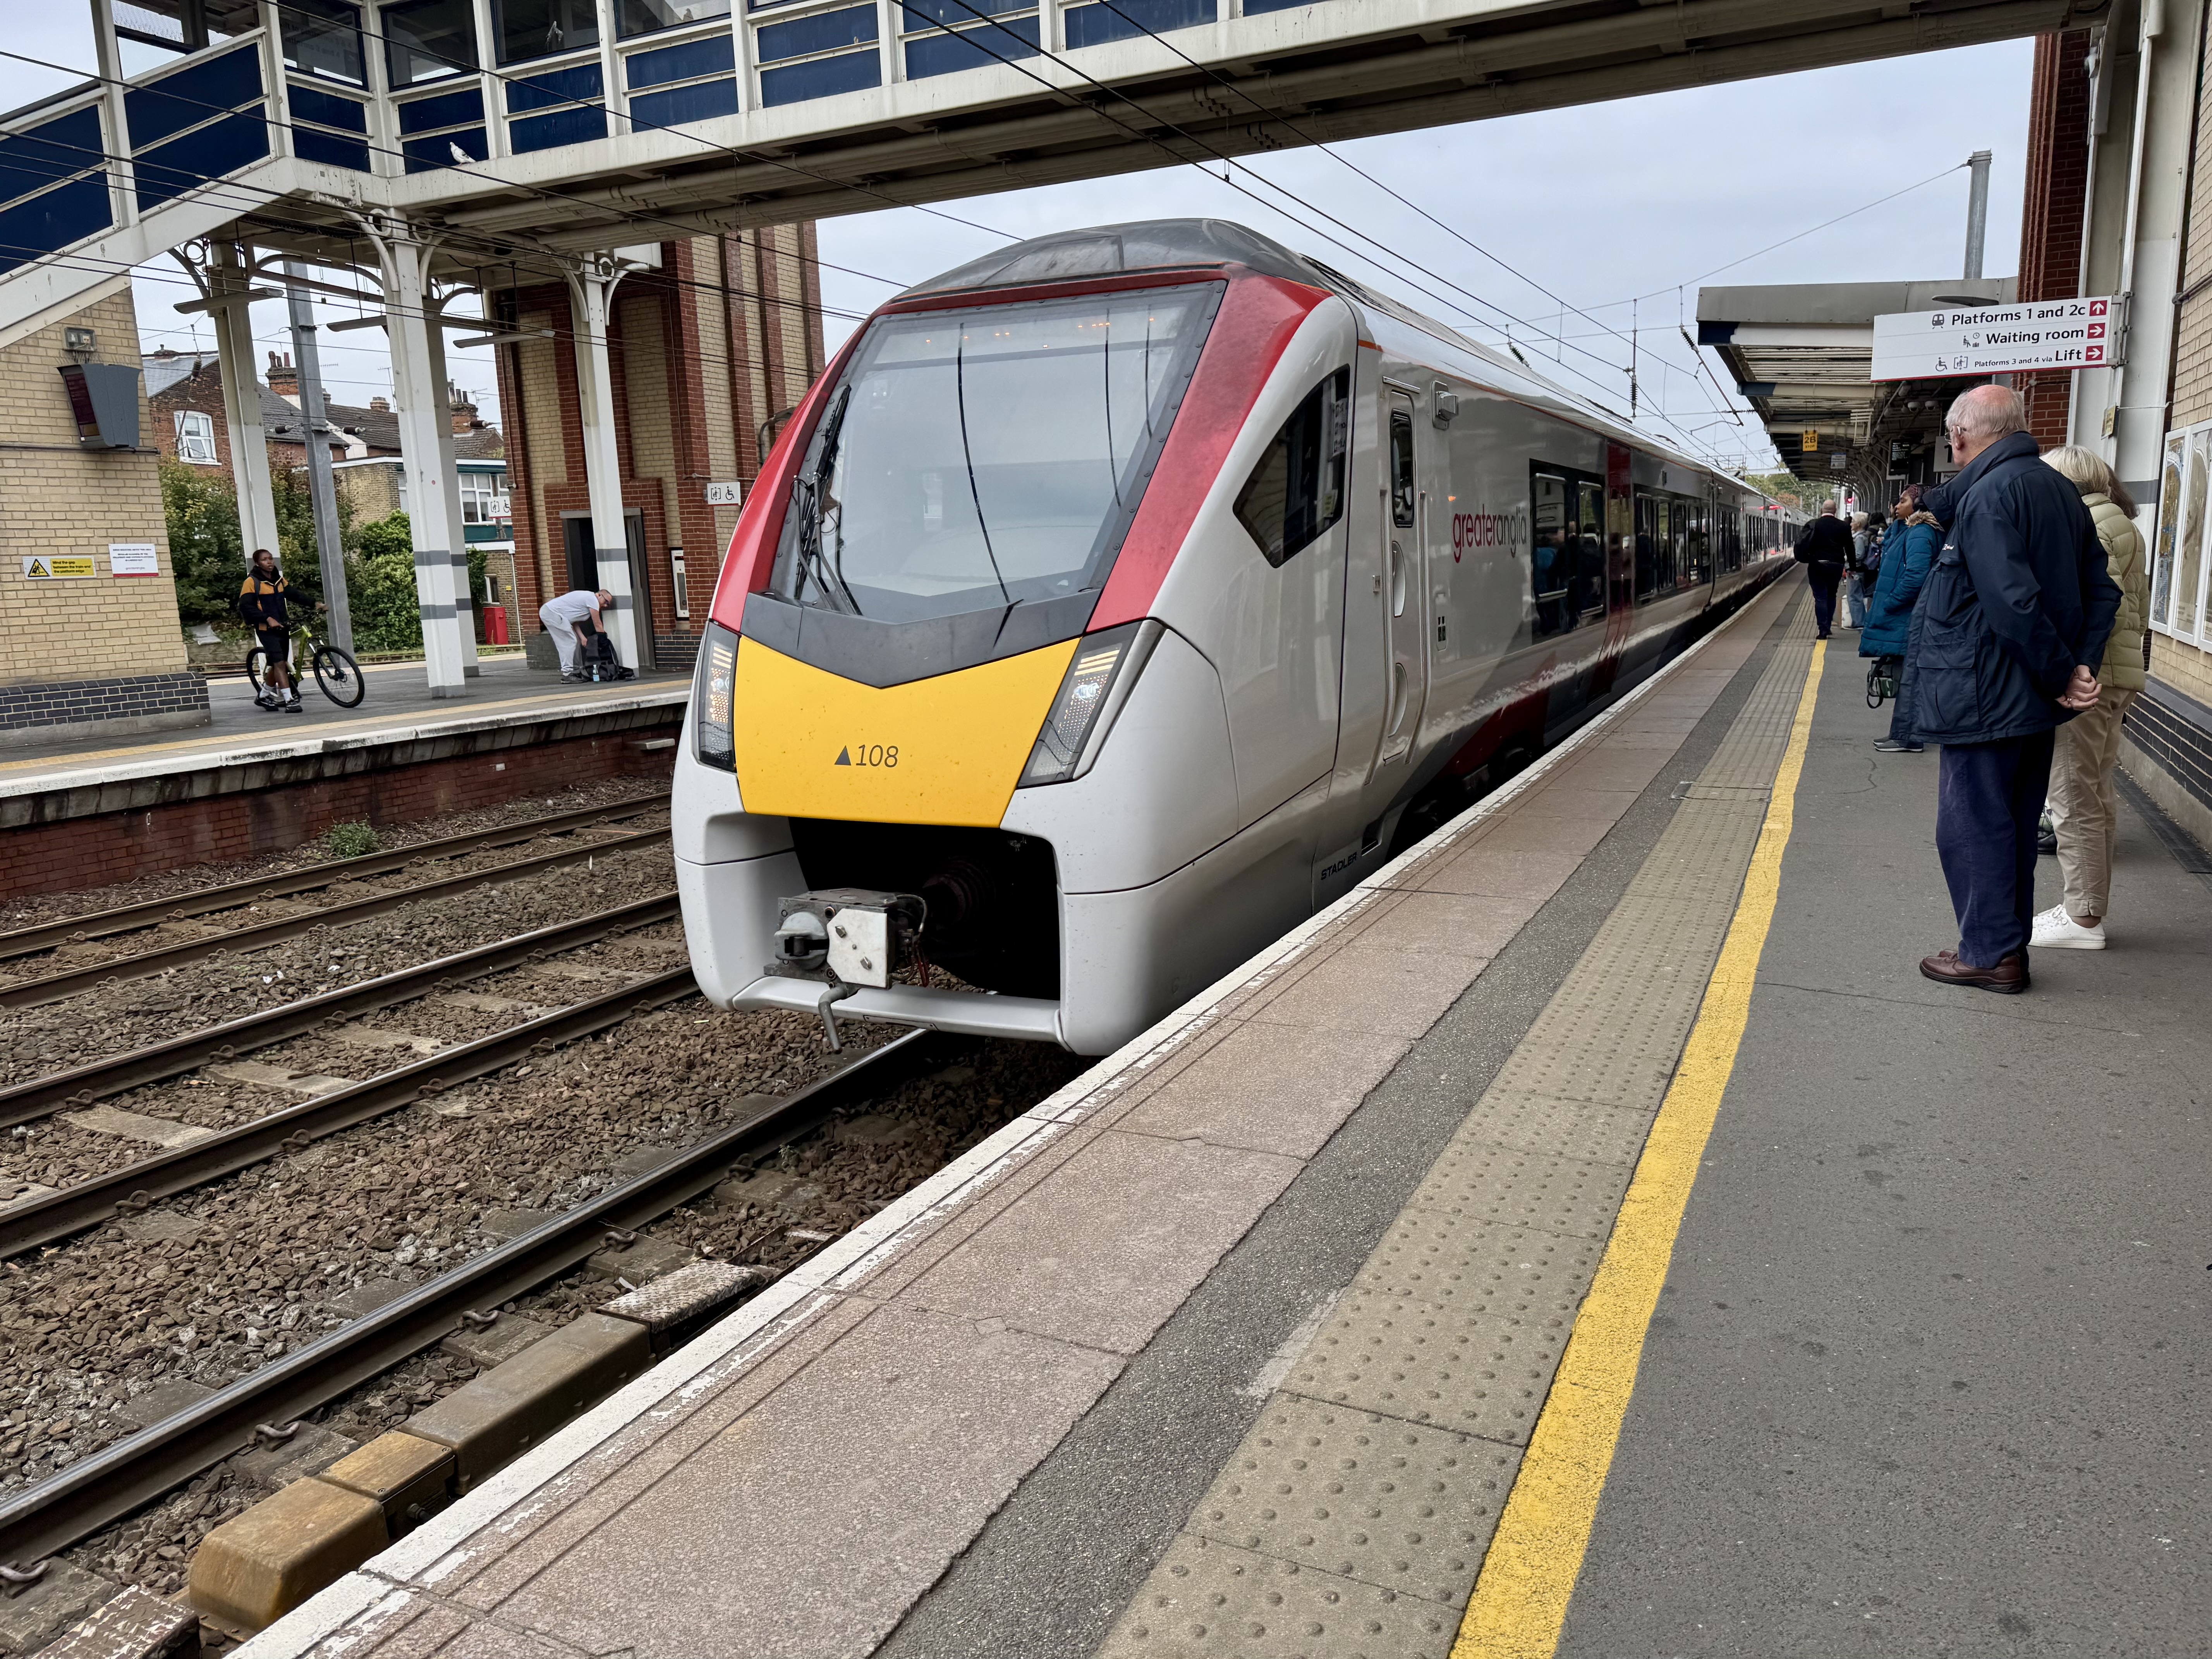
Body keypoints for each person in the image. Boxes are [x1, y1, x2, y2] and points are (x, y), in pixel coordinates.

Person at [1912, 385, 2120, 993]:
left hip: (1986, 694)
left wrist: (2064, 673)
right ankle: (2006, 950)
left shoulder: (1987, 495)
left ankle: (1987, 955)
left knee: (1973, 826)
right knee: (2013, 823)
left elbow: (2012, 604)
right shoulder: (2060, 490)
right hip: (2033, 699)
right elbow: (2102, 591)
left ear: (1960, 436)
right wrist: (2076, 668)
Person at [2032, 446, 2150, 950]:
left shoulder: (2089, 527)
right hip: (2117, 675)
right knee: (2096, 793)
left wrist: (2068, 671)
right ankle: (2087, 907)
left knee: (2072, 794)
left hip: (2090, 679)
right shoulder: (2120, 521)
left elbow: (2084, 607)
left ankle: (2082, 918)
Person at [1863, 485, 1941, 754]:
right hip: (1908, 615)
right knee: (1908, 677)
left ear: (1918, 506)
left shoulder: (1920, 532)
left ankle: (1908, 737)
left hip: (1910, 616)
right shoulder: (1910, 531)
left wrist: (1891, 602)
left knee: (1910, 679)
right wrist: (1896, 522)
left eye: (1903, 501)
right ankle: (1903, 734)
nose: (1897, 506)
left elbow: (1916, 576)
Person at [238, 548, 302, 714]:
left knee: (277, 663)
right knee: (280, 663)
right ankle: (289, 700)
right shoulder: (252, 582)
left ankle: (264, 695)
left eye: (271, 559)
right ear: (258, 563)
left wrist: (314, 604)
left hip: (283, 628)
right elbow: (246, 607)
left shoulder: (279, 580)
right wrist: (267, 618)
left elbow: (294, 594)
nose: (270, 562)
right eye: (265, 560)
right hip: (266, 630)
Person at [1792, 501, 1852, 638]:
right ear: (1835, 511)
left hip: (1817, 565)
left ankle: (1823, 629)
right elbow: (1850, 548)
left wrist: (1807, 557)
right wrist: (1851, 567)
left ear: (1821, 510)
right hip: (1836, 565)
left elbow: (1803, 543)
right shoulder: (1844, 526)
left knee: (1820, 597)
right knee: (1832, 595)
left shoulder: (1814, 524)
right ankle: (1828, 626)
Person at [538, 587, 618, 681]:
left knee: (575, 642)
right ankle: (567, 674)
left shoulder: (588, 600)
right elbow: (597, 623)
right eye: (606, 602)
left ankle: (576, 672)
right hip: (551, 613)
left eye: (608, 605)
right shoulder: (592, 599)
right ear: (599, 595)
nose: (605, 606)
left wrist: (582, 638)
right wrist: (603, 640)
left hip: (553, 613)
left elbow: (573, 620)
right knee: (569, 642)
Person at [1845, 510, 1873, 629]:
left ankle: (1859, 622)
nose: (1851, 524)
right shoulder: (1860, 536)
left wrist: (1846, 557)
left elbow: (1859, 554)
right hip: (1856, 570)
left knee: (1854, 596)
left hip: (1855, 570)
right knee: (1856, 595)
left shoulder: (1860, 538)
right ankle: (1859, 621)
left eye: (1853, 522)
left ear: (1858, 524)